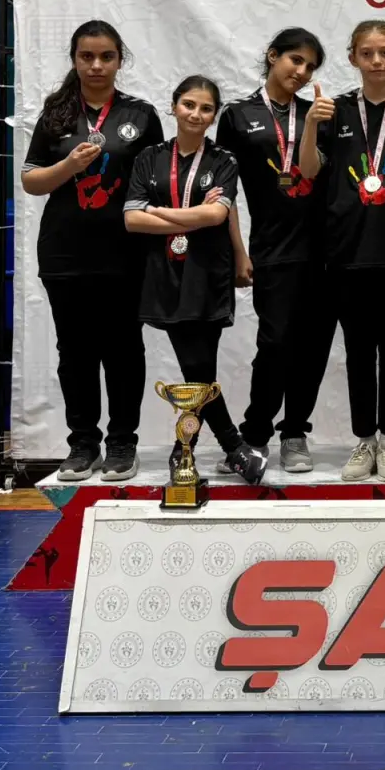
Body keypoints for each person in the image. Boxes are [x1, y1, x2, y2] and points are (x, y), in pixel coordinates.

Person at [21, 20, 164, 482]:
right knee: (76, 352)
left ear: (120, 60)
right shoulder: (57, 114)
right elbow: (31, 181)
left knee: (123, 350)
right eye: (87, 56)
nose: (97, 65)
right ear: (75, 59)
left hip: (125, 255)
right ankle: (82, 444)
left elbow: (157, 184)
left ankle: (122, 443)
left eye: (106, 56)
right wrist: (69, 164)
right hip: (64, 255)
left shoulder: (141, 115)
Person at [297, 21, 385, 483]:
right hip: (348, 248)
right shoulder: (334, 110)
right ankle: (364, 439)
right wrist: (310, 126)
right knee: (357, 350)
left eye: (384, 52)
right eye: (367, 53)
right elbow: (308, 171)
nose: (376, 61)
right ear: (353, 58)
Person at [124, 76, 266, 484]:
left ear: (213, 115)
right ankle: (229, 446)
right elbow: (132, 220)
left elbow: (217, 215)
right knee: (197, 368)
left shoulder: (224, 159)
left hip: (208, 272)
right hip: (165, 271)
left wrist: (158, 211)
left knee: (199, 366)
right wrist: (192, 216)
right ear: (174, 106)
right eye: (189, 104)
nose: (196, 114)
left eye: (206, 108)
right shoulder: (149, 157)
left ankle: (192, 450)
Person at [217, 29, 335, 474]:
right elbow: (223, 193)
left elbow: (315, 172)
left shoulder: (317, 113)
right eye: (295, 60)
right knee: (275, 343)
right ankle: (254, 434)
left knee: (313, 346)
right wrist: (239, 252)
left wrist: (315, 124)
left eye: (310, 67)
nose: (301, 72)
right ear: (272, 56)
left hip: (324, 249)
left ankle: (295, 432)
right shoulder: (237, 115)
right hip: (271, 248)